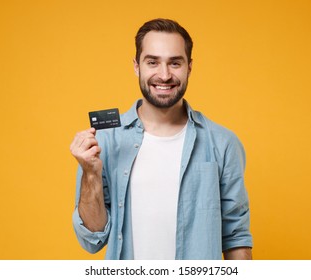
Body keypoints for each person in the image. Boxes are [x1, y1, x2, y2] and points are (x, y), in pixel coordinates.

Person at [70, 18, 253, 260]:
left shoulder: (222, 143)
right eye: (153, 62)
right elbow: (92, 238)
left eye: (175, 63)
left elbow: (236, 239)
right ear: (137, 66)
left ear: (189, 67)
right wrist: (90, 173)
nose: (164, 75)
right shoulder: (105, 142)